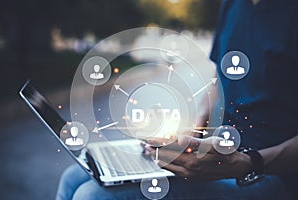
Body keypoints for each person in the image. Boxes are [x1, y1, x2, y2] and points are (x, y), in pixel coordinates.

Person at [56, 0, 298, 199]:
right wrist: (188, 134)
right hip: (220, 156)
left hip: (271, 172)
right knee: (72, 178)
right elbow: (221, 80)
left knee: (90, 196)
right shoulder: (234, 4)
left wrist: (247, 162)